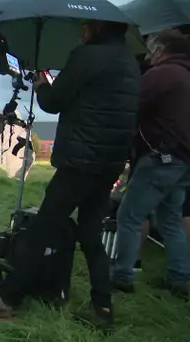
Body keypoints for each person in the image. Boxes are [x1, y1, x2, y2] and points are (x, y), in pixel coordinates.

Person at [0, 20, 140, 332]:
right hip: (109, 163)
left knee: (41, 229)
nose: (82, 30)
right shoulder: (130, 62)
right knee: (91, 235)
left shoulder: (86, 56)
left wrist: (42, 84)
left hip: (80, 161)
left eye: (85, 26)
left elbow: (54, 102)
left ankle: (9, 299)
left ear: (98, 27)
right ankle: (102, 306)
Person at [111, 32, 190, 301]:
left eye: (152, 49)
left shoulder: (162, 74)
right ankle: (179, 279)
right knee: (170, 221)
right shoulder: (185, 75)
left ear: (162, 49)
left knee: (129, 216)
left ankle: (122, 276)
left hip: (160, 157)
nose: (149, 54)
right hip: (182, 162)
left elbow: (132, 106)